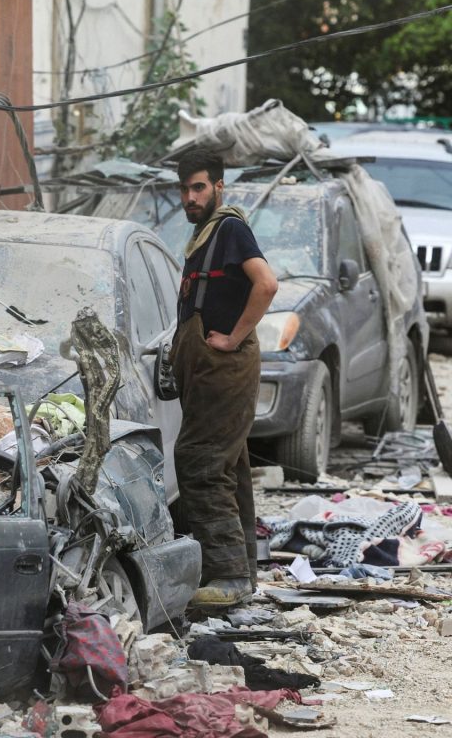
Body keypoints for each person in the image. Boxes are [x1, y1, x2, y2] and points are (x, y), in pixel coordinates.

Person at [171, 148, 278, 608]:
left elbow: (267, 284)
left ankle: (228, 575)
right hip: (206, 370)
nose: (190, 198)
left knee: (200, 461)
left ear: (218, 186)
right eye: (184, 190)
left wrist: (233, 337)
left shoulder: (230, 228)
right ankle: (241, 572)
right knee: (228, 466)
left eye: (198, 188)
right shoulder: (204, 236)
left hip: (224, 368)